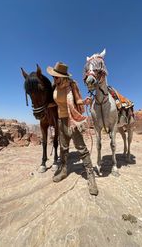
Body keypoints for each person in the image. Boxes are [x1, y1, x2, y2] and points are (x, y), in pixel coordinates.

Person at [47, 61, 98, 196]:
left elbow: (77, 100)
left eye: (56, 76)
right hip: (60, 120)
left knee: (81, 148)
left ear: (63, 77)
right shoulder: (55, 86)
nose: (54, 78)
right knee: (63, 148)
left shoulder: (71, 86)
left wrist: (85, 101)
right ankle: (64, 170)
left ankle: (91, 176)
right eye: (53, 76)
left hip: (72, 120)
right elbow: (56, 101)